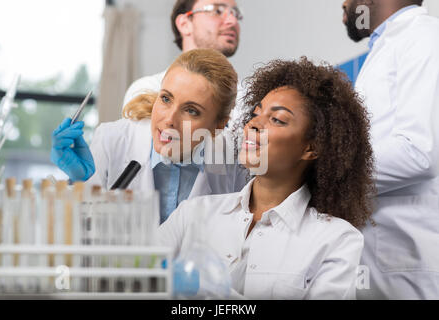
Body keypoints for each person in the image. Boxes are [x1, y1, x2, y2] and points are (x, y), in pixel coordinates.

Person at [158, 58, 375, 299]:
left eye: (277, 120)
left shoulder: (337, 240)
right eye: (256, 113)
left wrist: (215, 294)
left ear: (311, 148)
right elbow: (133, 278)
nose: (253, 124)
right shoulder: (192, 214)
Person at [51, 49, 248, 223]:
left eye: (191, 110)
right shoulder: (113, 140)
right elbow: (80, 226)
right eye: (165, 99)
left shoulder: (235, 160)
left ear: (219, 124)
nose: (170, 119)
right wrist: (76, 182)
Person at [342, 0, 439, 299]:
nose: (344, 3)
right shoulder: (389, 45)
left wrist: (325, 171)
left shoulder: (423, 37)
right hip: (386, 259)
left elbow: (418, 152)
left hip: (410, 262)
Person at [123, 0, 245, 128]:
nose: (233, 20)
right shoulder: (147, 89)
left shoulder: (250, 97)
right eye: (217, 11)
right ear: (184, 24)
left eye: (235, 13)